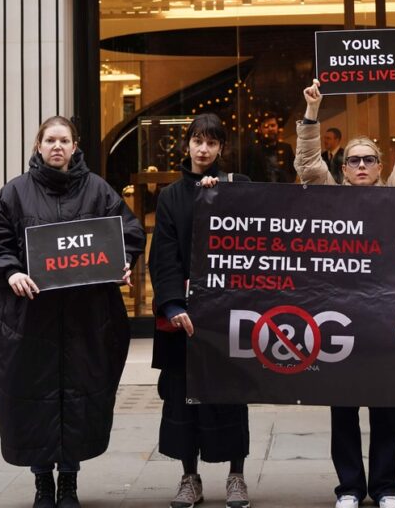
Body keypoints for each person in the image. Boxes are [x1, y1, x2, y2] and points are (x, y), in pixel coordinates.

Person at [0, 116, 145, 508]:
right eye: (50, 140)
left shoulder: (98, 191)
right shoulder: (15, 193)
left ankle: (69, 481)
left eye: (64, 140)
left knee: (76, 400)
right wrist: (9, 271)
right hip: (29, 322)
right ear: (38, 146)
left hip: (83, 322)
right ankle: (42, 481)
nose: (57, 147)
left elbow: (127, 233)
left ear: (75, 146)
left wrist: (124, 261)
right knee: (36, 398)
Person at [295, 77, 395, 508]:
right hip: (339, 319)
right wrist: (313, 113)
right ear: (344, 167)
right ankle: (350, 487)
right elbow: (307, 163)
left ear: (379, 163)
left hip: (387, 318)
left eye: (370, 159)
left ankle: (386, 487)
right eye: (354, 160)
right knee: (344, 409)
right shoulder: (328, 198)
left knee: (388, 407)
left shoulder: (394, 193)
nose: (363, 166)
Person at [149, 113, 252, 508]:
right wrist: (172, 304)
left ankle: (236, 476)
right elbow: (164, 256)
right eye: (198, 141)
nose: (204, 149)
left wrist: (221, 196)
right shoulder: (172, 195)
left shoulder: (236, 186)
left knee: (230, 396)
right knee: (182, 397)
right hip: (184, 318)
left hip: (227, 316)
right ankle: (189, 477)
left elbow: (255, 236)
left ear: (221, 148)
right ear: (187, 145)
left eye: (212, 143)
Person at [244, 113, 297, 183]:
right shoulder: (252, 150)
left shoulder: (286, 148)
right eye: (266, 126)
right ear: (259, 129)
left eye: (273, 125)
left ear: (277, 127)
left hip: (283, 191)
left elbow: (293, 172)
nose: (270, 129)